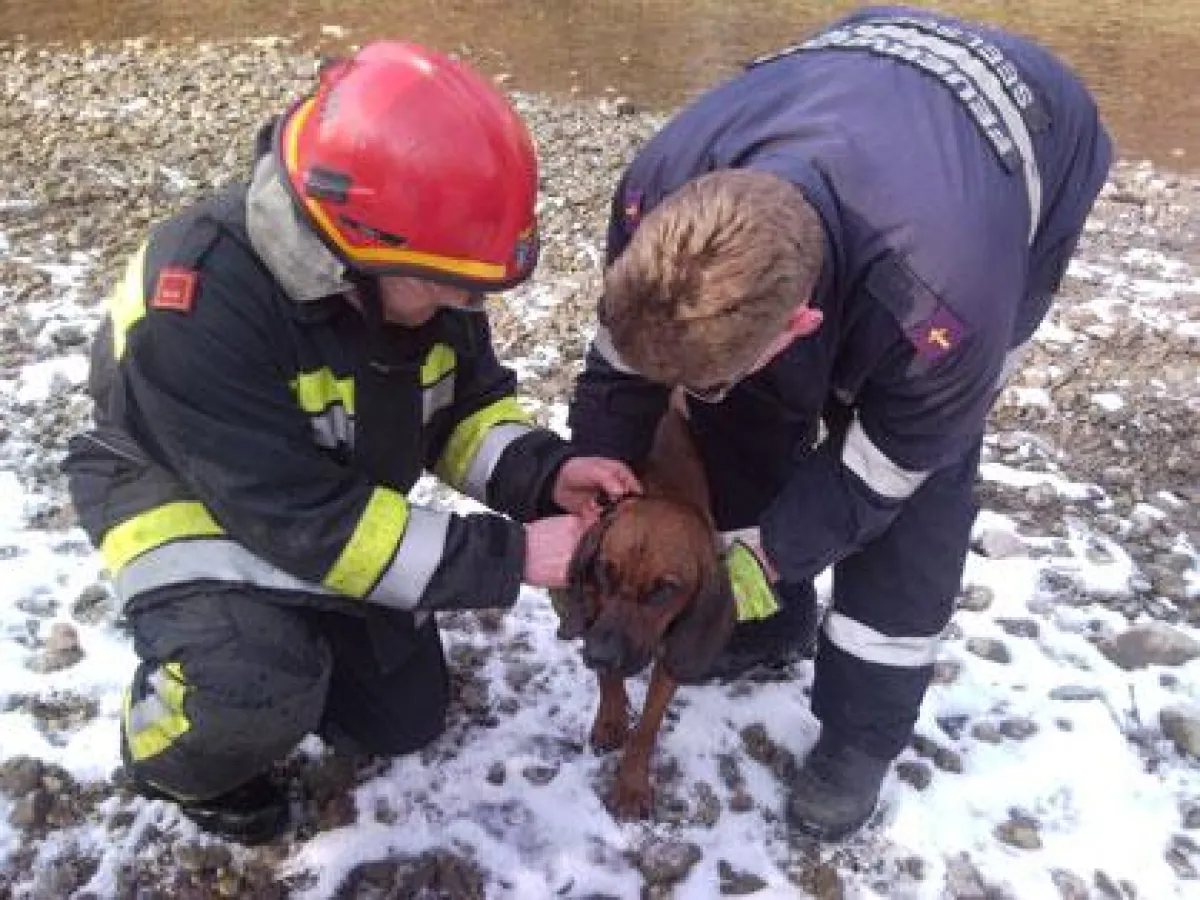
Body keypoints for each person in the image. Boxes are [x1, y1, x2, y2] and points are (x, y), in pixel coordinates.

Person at [63, 41, 639, 845]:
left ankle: (290, 656)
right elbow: (306, 520)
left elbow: (463, 413)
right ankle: (172, 757)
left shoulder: (425, 272)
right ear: (352, 249)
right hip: (179, 496)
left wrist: (549, 475)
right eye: (447, 284)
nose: (464, 303)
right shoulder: (197, 302)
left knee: (404, 719)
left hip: (321, 493)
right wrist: (512, 556)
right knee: (253, 683)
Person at [568, 6, 1111, 841]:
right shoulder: (657, 190)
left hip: (1027, 144)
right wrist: (598, 481)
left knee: (915, 493)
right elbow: (624, 359)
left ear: (800, 327)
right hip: (864, 82)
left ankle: (861, 735)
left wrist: (774, 551)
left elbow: (884, 471)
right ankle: (770, 621)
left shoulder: (946, 310)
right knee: (731, 419)